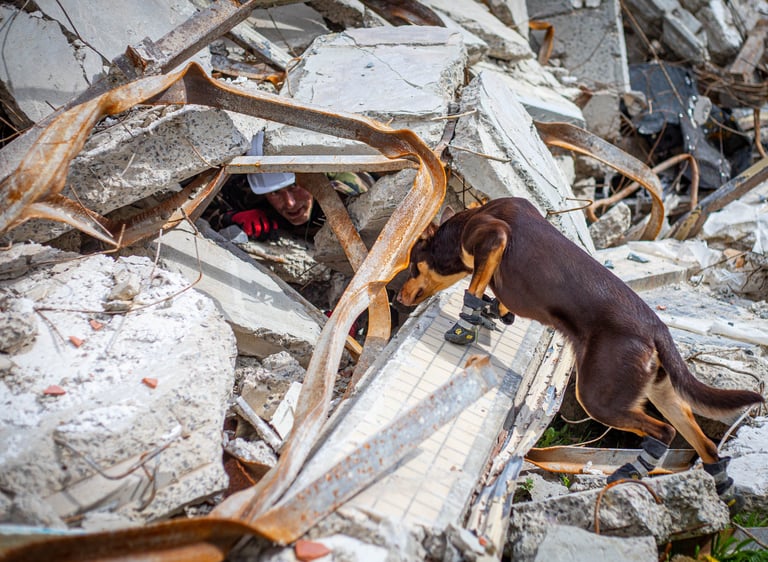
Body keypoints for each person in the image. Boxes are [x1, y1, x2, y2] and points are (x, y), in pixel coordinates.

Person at [209, 131, 374, 242]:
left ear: (315, 176)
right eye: (274, 193)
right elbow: (203, 205)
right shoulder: (251, 186)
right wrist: (232, 218)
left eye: (295, 186)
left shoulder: (346, 190)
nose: (290, 203)